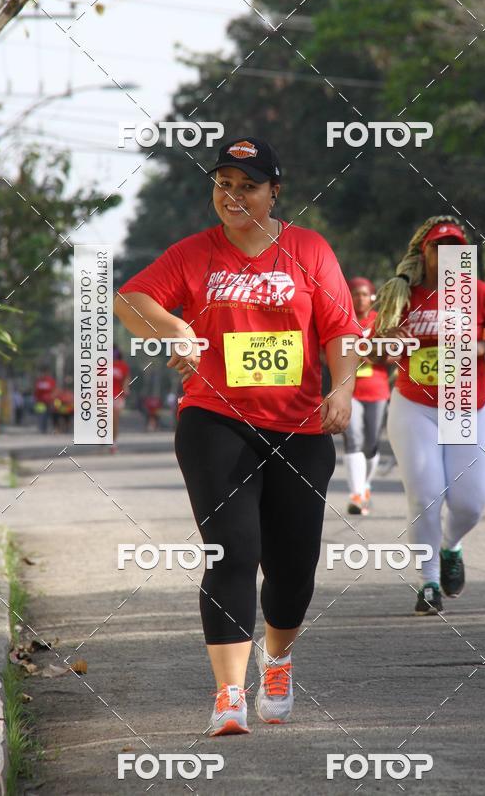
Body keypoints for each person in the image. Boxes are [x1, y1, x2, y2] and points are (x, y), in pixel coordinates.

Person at [115, 136, 359, 735]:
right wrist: (174, 327)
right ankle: (228, 694)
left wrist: (345, 386)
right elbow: (129, 298)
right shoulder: (194, 254)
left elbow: (340, 328)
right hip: (215, 422)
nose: (233, 195)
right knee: (231, 551)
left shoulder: (308, 250)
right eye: (223, 184)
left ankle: (276, 660)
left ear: (275, 191)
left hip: (300, 426)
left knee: (293, 565)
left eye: (247, 185)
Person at [375, 216, 485, 616]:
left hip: (466, 404)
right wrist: (388, 341)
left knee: (470, 504)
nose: (449, 254)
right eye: (440, 247)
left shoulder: (479, 294)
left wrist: (482, 350)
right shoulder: (400, 294)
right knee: (424, 494)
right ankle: (429, 581)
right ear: (424, 253)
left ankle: (450, 545)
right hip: (414, 405)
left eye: (457, 247)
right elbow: (370, 347)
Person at [344, 277, 390, 516]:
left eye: (363, 294)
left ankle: (366, 484)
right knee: (353, 439)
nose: (359, 298)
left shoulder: (380, 321)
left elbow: (396, 353)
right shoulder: (342, 318)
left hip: (377, 390)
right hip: (348, 389)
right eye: (354, 293)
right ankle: (356, 495)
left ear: (371, 297)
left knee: (371, 445)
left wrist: (374, 355)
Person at [112, 347, 130, 453]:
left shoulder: (122, 366)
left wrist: (126, 388)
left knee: (114, 418)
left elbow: (126, 378)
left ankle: (113, 442)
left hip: (117, 395)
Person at [33, 369, 56, 433]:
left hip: (49, 401)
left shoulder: (50, 381)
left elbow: (54, 391)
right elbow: (36, 391)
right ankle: (42, 428)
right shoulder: (39, 381)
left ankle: (48, 428)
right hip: (40, 402)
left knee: (49, 416)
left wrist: (53, 399)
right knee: (41, 415)